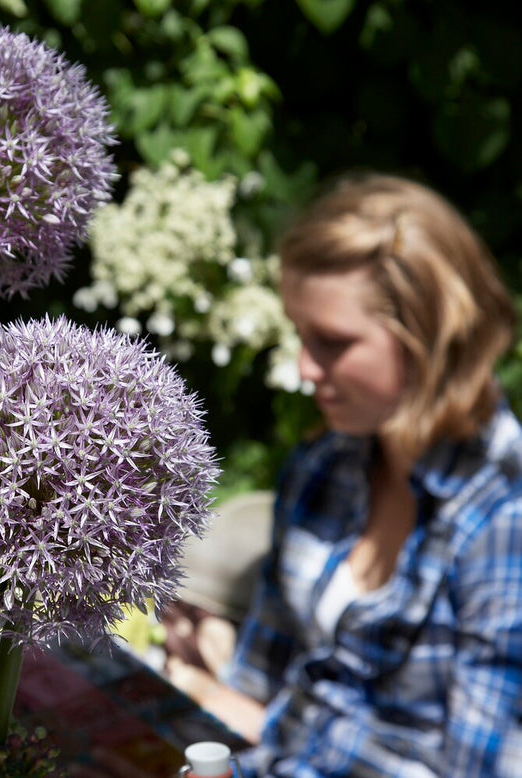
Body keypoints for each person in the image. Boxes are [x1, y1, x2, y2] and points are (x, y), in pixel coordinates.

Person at [168, 172, 522, 776]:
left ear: (429, 336)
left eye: (332, 341)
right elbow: (257, 683)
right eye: (299, 334)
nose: (305, 367)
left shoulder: (504, 515)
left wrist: (273, 727)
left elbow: (477, 769)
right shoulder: (323, 466)